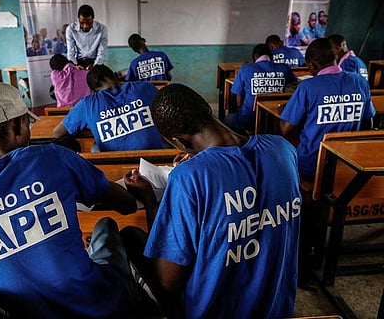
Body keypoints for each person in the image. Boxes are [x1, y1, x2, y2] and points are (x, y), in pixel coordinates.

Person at [0, 81, 139, 318]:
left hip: (20, 312)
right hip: (96, 305)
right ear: (17, 125)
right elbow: (127, 205)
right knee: (107, 227)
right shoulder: (51, 158)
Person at [121, 83, 302, 318]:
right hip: (276, 308)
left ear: (179, 141)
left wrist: (150, 202)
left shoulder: (188, 178)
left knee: (129, 238)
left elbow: (169, 281)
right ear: (207, 108)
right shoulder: (282, 149)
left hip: (212, 311)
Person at [280, 38, 375, 181]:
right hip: (349, 164)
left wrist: (286, 112)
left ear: (312, 64)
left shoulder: (307, 87)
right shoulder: (360, 82)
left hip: (312, 165)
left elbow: (285, 129)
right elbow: (369, 123)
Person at [53, 64, 165, 151]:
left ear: (93, 90)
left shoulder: (87, 105)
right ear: (113, 76)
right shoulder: (145, 88)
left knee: (95, 148)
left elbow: (58, 132)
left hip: (114, 172)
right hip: (155, 163)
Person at [226, 43, 297, 132]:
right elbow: (293, 85)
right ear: (271, 56)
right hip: (275, 119)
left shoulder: (245, 69)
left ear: (255, 57)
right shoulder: (284, 68)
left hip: (248, 118)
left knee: (228, 119)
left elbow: (238, 101)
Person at [66, 4, 108, 69]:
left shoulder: (102, 29)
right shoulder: (71, 29)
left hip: (95, 61)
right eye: (82, 23)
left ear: (93, 19)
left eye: (89, 23)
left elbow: (101, 52)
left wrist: (95, 65)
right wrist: (75, 66)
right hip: (77, 61)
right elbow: (70, 52)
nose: (85, 26)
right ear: (78, 19)